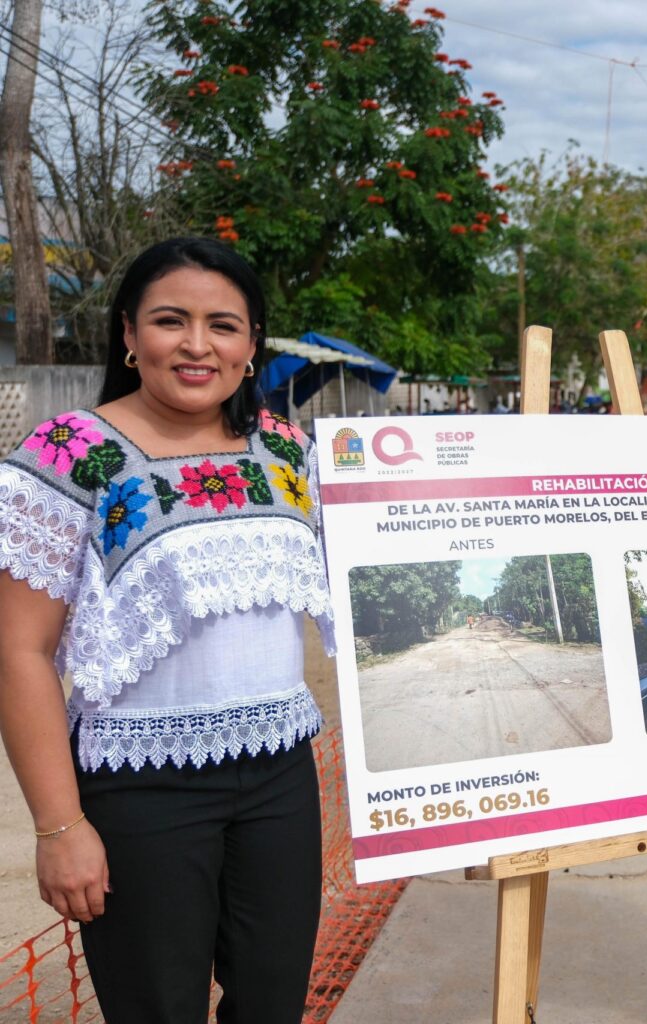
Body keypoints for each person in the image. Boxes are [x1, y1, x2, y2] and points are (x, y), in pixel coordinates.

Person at [0, 237, 334, 1022]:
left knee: (273, 1006)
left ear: (252, 344)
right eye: (170, 320)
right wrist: (59, 827)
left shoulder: (288, 452)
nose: (196, 345)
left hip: (281, 778)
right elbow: (19, 650)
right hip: (140, 788)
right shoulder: (71, 455)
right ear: (128, 333)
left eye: (223, 325)